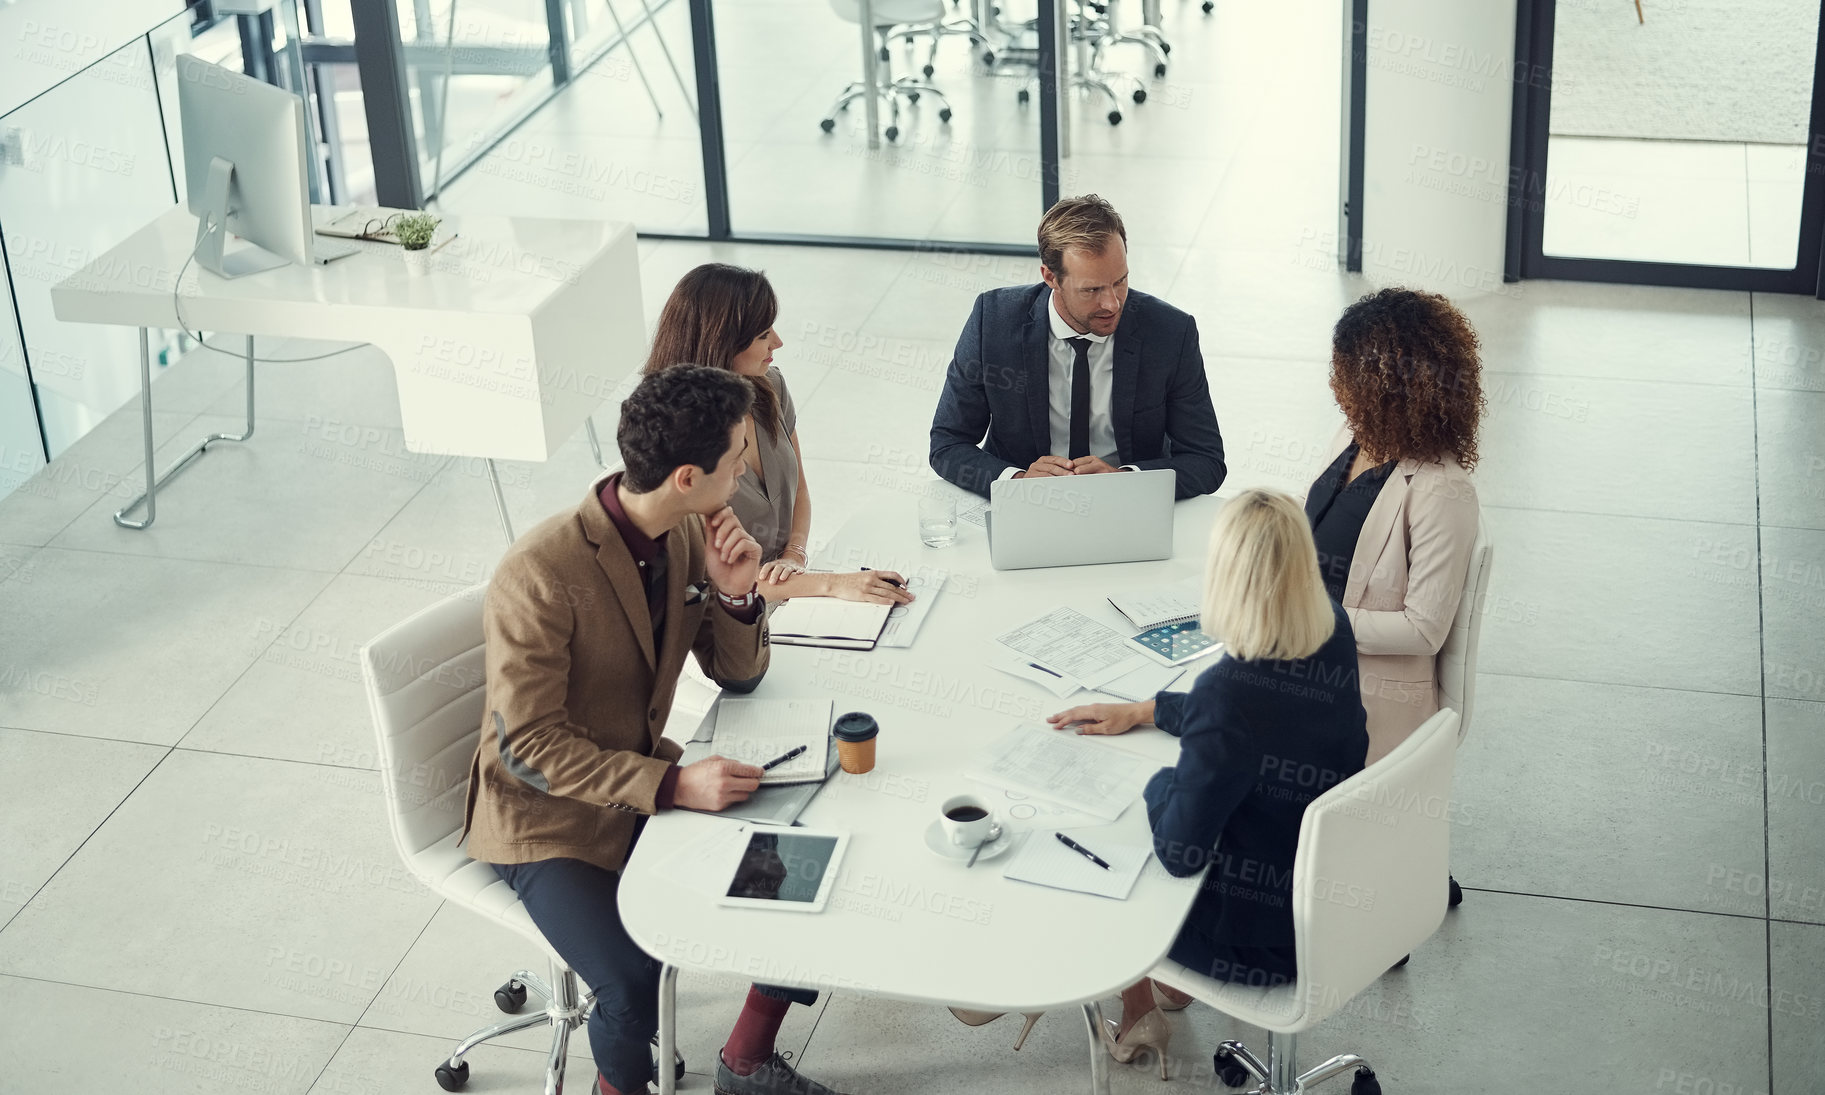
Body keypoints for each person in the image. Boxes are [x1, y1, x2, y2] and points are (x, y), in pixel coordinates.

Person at [463, 365, 850, 1095]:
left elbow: (737, 676)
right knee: (631, 984)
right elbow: (528, 747)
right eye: (736, 456)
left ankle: (745, 1058)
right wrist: (671, 783)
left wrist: (736, 597)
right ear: (684, 475)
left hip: (640, 784)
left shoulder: (679, 535)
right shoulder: (540, 572)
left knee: (798, 870)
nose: (744, 469)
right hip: (546, 819)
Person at [1045, 488, 1369, 1066]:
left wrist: (1155, 783)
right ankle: (1168, 992)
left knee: (1109, 847)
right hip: (1331, 905)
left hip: (1262, 944)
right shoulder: (1335, 629)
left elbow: (1179, 852)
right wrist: (1147, 710)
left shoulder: (1228, 693)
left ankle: (1139, 1007)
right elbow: (1264, 722)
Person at [646, 263, 914, 608]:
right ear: (721, 343)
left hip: (790, 586)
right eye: (762, 335)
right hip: (724, 614)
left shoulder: (769, 386)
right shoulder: (673, 439)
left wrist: (794, 555)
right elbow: (705, 581)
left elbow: (799, 487)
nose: (778, 342)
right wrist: (832, 584)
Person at [928, 194, 1226, 500]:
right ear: (1050, 277)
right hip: (1028, 504)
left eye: (1120, 281)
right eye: (1092, 289)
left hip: (1124, 503)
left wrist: (1126, 480)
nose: (1112, 303)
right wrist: (1017, 479)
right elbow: (948, 443)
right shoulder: (992, 322)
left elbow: (1206, 461)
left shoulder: (1170, 332)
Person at [1304, 287, 1482, 768]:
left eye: (1343, 373)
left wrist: (1313, 621)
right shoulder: (1350, 434)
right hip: (1297, 655)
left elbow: (1424, 630)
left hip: (1361, 693)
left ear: (1381, 386)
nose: (1333, 384)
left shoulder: (1443, 492)